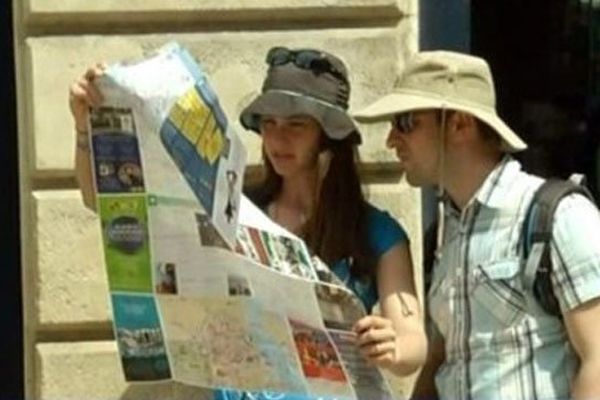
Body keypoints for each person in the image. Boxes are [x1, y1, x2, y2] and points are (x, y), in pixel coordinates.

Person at [68, 47, 427, 398]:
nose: (277, 138)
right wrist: (86, 131)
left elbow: (414, 343)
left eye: (296, 125)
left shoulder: (379, 234)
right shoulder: (234, 209)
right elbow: (101, 202)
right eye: (268, 123)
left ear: (329, 136)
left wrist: (393, 346)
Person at [354, 50, 600, 400]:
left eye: (406, 121)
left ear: (459, 124)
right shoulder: (445, 234)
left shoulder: (557, 215)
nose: (392, 139)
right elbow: (445, 361)